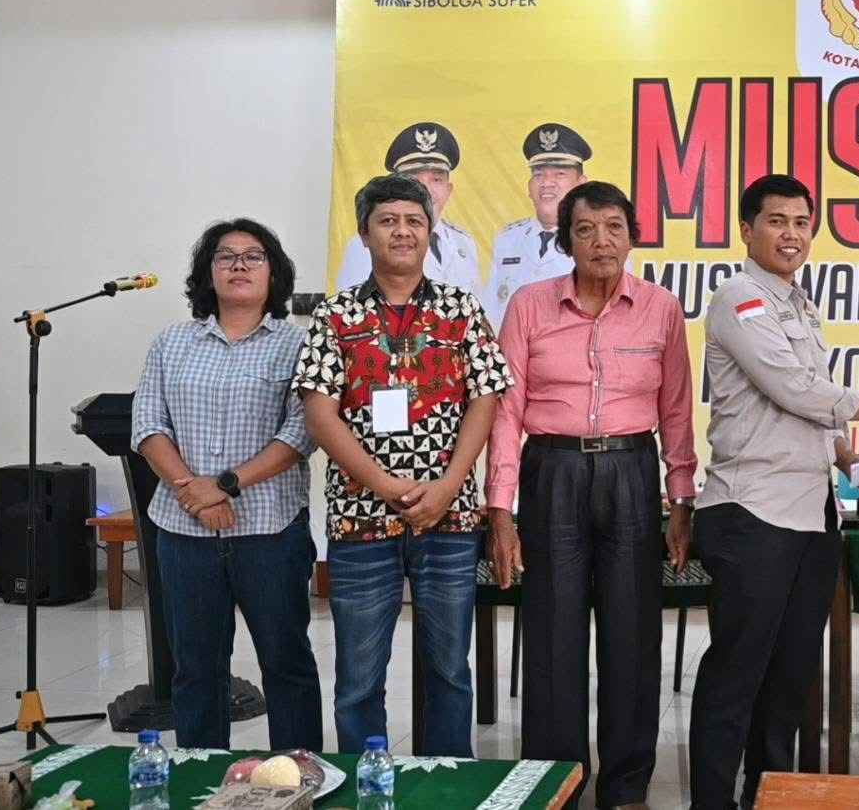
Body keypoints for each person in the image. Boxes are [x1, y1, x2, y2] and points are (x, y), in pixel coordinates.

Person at [688, 173, 859, 810]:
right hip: (752, 511)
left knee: (790, 673)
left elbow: (811, 410)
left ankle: (768, 794)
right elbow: (793, 387)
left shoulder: (800, 304)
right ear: (747, 230)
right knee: (738, 670)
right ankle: (711, 801)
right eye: (777, 221)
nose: (791, 234)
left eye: (801, 223)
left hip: (811, 513)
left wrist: (851, 457)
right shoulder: (740, 298)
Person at [485, 181, 697, 810]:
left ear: (632, 237)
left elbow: (676, 410)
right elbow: (506, 411)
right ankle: (558, 781)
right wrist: (500, 508)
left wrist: (680, 499)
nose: (601, 241)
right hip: (552, 471)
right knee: (553, 632)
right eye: (585, 229)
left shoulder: (661, 308)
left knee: (633, 633)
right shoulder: (529, 305)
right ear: (565, 241)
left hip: (631, 471)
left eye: (613, 228)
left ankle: (627, 786)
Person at [294, 174, 513, 757]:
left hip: (449, 517)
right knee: (358, 677)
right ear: (364, 233)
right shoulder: (335, 315)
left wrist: (449, 485)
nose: (402, 231)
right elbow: (320, 416)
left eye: (414, 221)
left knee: (449, 669)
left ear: (429, 232)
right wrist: (387, 485)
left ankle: (446, 780)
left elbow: (485, 399)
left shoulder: (461, 309)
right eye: (388, 220)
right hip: (361, 518)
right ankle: (368, 779)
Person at [130, 218, 320, 751]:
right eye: (225, 256)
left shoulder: (299, 344)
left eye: (253, 256)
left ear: (273, 272)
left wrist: (225, 485)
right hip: (184, 531)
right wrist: (192, 491)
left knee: (286, 662)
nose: (239, 265)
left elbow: (302, 432)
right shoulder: (172, 342)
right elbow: (147, 425)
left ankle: (298, 773)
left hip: (270, 531)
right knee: (195, 668)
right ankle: (201, 772)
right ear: (207, 272)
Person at [335, 121, 486, 301]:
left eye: (436, 179)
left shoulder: (464, 242)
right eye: (413, 179)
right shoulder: (367, 245)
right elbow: (354, 309)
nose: (426, 190)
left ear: (448, 189)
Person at [481, 123, 593, 331]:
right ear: (529, 186)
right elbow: (491, 312)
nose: (547, 183)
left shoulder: (600, 243)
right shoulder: (508, 239)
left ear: (581, 184)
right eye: (539, 174)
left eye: (559, 174)